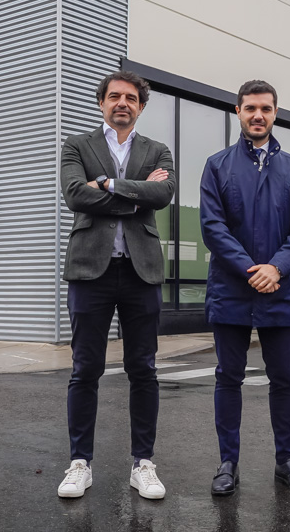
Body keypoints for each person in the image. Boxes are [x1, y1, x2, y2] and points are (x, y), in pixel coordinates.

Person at [56, 70, 177, 500]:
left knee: (142, 369)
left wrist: (105, 184)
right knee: (84, 369)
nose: (122, 103)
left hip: (140, 271)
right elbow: (74, 194)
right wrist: (136, 192)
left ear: (140, 107)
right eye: (114, 97)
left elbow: (163, 196)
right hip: (92, 269)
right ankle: (79, 463)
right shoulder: (77, 145)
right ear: (101, 103)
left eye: (130, 98)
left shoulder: (157, 149)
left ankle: (143, 463)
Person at [199, 79, 290, 497]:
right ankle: (227, 462)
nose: (258, 115)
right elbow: (212, 227)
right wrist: (252, 269)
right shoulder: (217, 165)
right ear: (238, 112)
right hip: (232, 289)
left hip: (279, 290)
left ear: (275, 113)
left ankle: (286, 461)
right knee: (227, 378)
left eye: (265, 108)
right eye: (250, 108)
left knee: (283, 379)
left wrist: (278, 268)